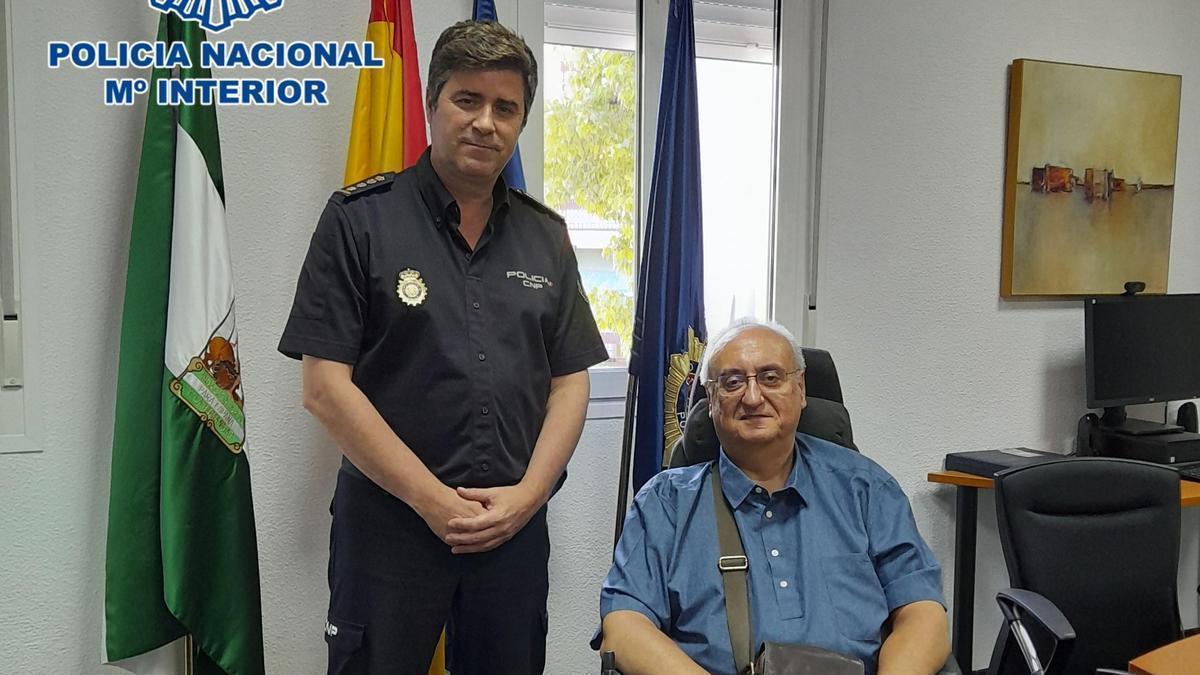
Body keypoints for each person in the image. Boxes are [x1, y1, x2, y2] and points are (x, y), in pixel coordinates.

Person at [278, 20, 608, 675]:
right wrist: (433, 500)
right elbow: (324, 387)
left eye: (505, 108)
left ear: (519, 123)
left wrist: (529, 495)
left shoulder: (546, 237)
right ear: (433, 103)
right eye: (468, 100)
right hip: (390, 527)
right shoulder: (359, 221)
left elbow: (570, 380)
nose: (486, 122)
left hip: (511, 530)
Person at [594, 319, 948, 675]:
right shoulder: (664, 504)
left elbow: (923, 613)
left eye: (770, 377)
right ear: (711, 399)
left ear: (801, 388)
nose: (752, 396)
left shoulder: (867, 489)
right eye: (732, 382)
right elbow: (623, 627)